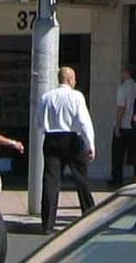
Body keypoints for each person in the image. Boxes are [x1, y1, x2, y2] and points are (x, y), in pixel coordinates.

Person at [37, 67, 96, 235]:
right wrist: (90, 144)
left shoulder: (46, 97)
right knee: (81, 179)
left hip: (51, 138)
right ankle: (89, 215)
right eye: (74, 79)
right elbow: (84, 122)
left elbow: (39, 122)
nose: (75, 82)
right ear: (70, 80)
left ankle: (47, 224)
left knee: (51, 181)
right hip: (72, 138)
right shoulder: (76, 96)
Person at [110, 67, 136, 187]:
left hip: (123, 125)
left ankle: (117, 179)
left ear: (127, 73)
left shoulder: (123, 88)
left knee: (118, 155)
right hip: (134, 125)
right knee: (135, 154)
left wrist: (117, 126)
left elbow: (121, 108)